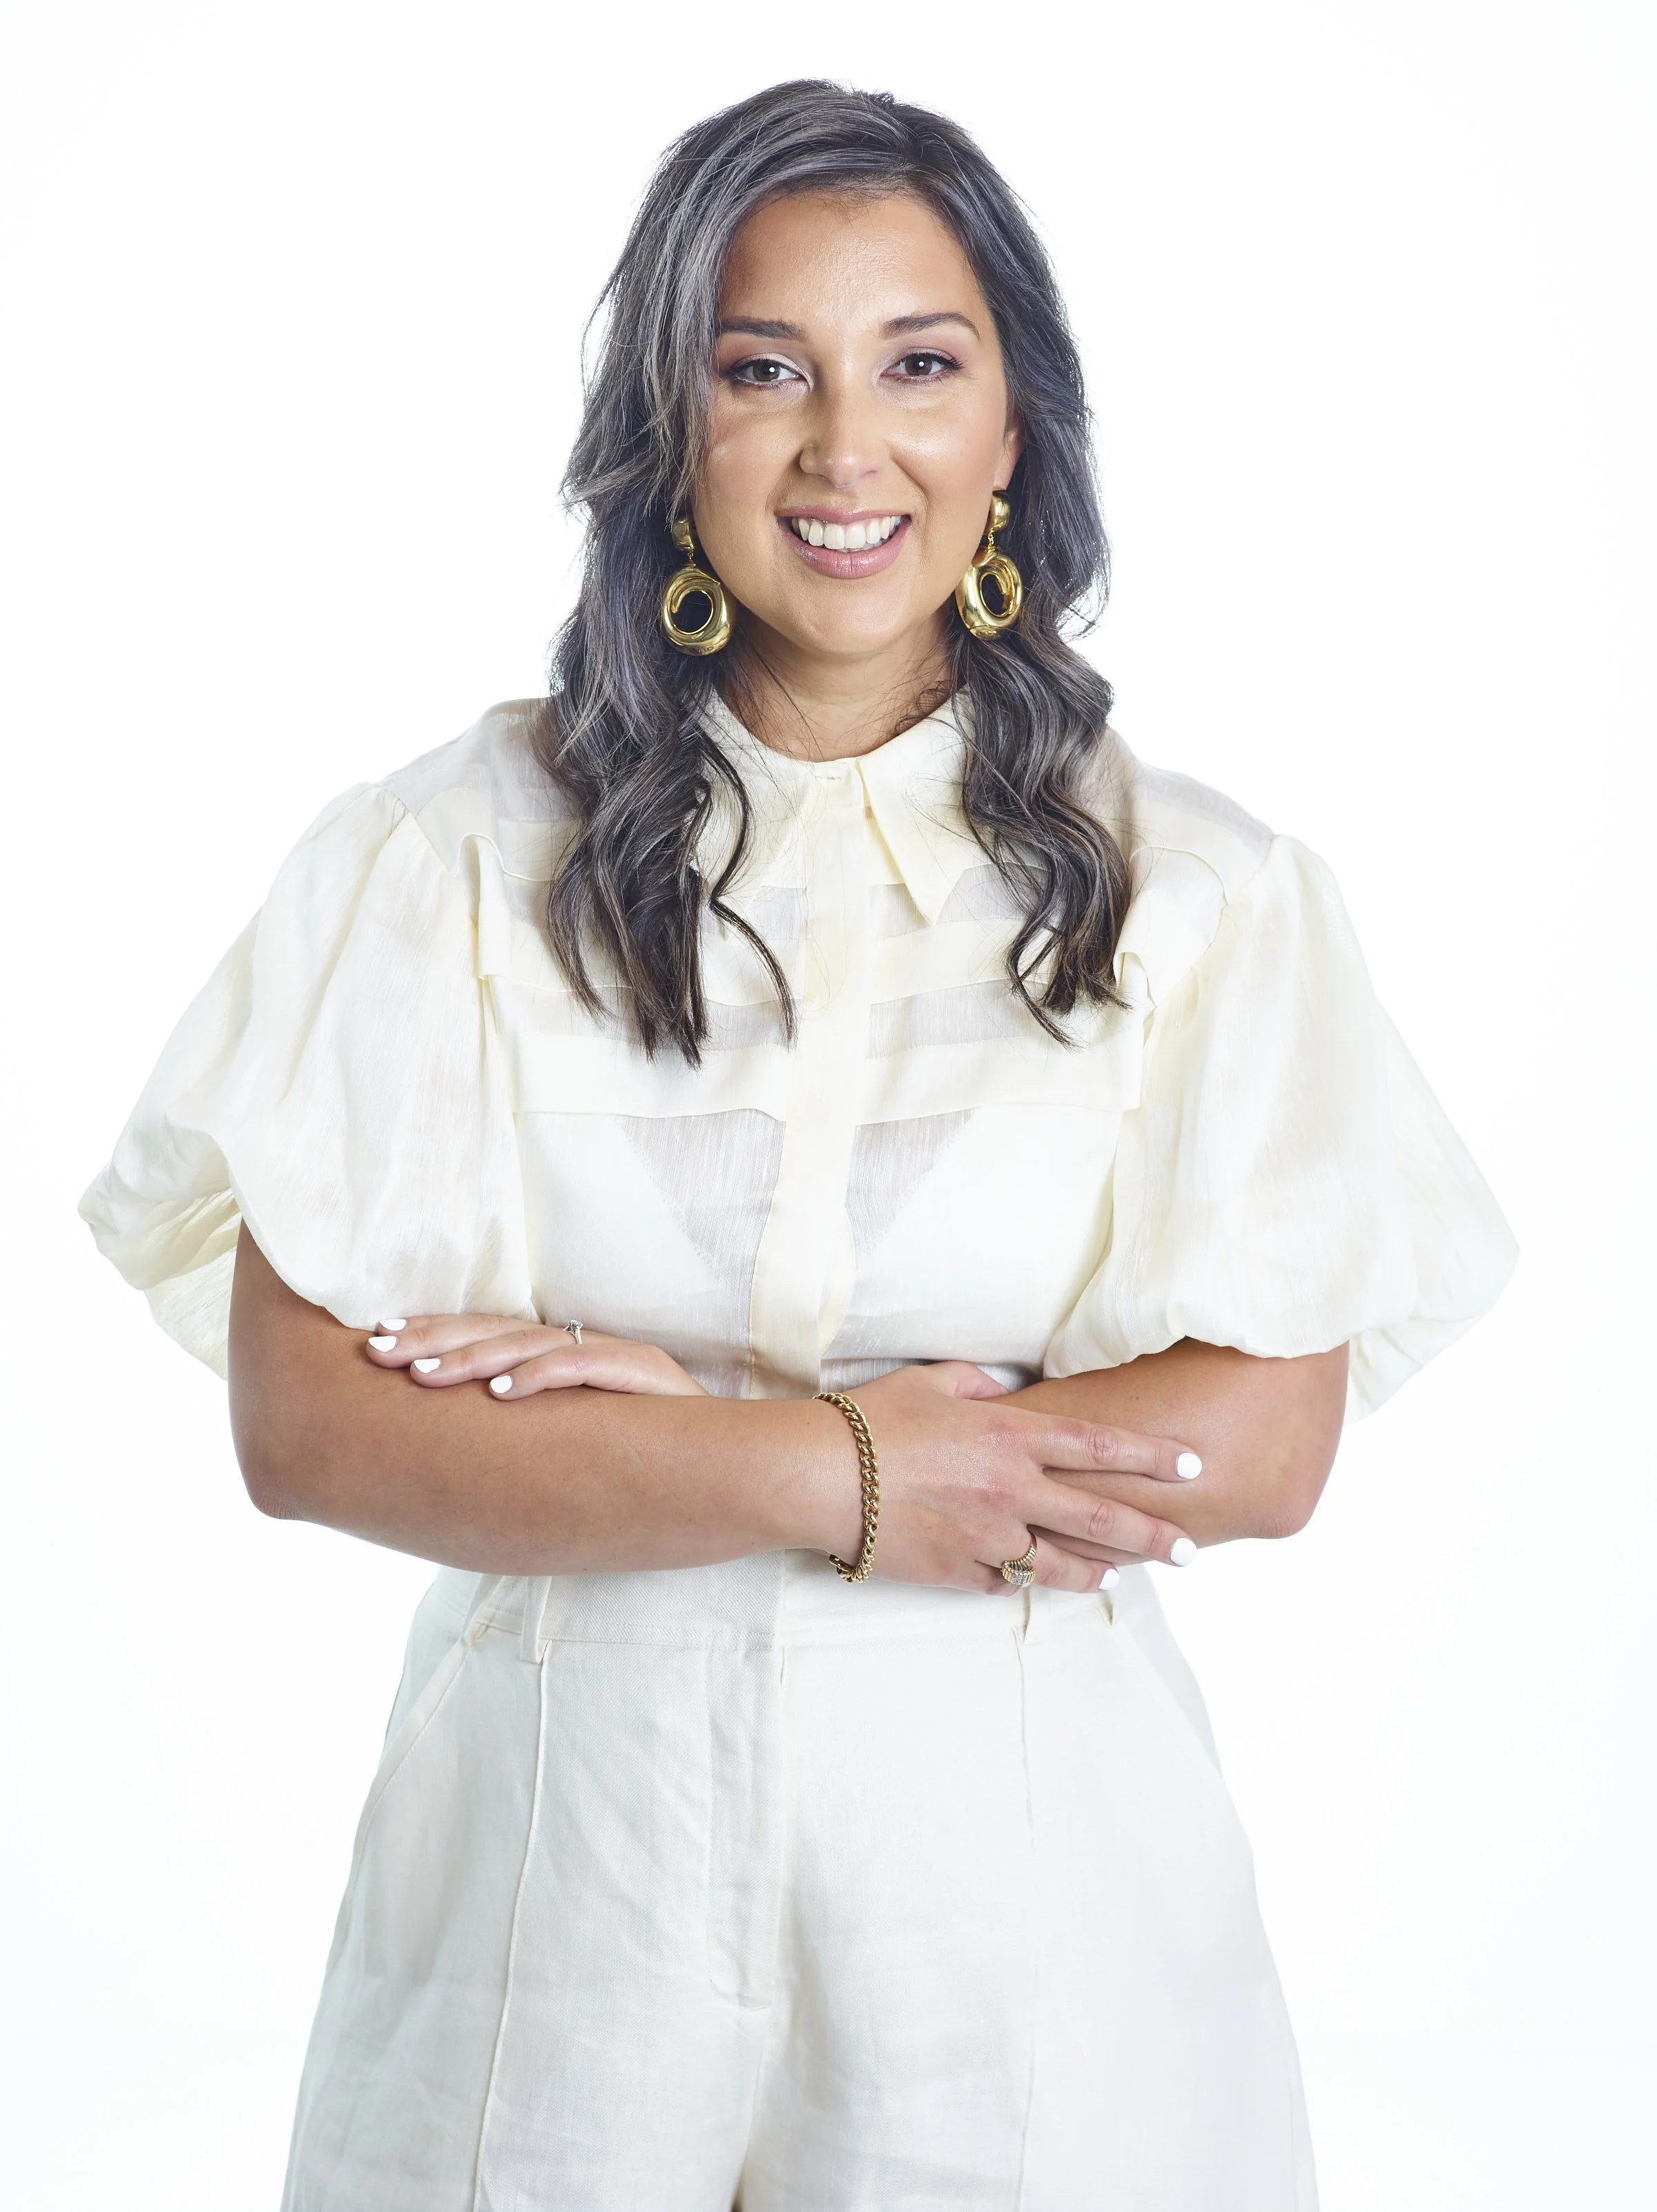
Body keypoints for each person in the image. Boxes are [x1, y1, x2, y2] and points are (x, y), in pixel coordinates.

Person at [80, 79, 1516, 2212]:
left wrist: (652, 1430)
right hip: (553, 1900)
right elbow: (312, 1422)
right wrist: (843, 1467)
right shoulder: (448, 861)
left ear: (1013, 428)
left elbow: (1267, 1436)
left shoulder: (1198, 890)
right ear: (669, 433)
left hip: (1030, 1915)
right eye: (765, 372)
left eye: (920, 366)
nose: (851, 452)